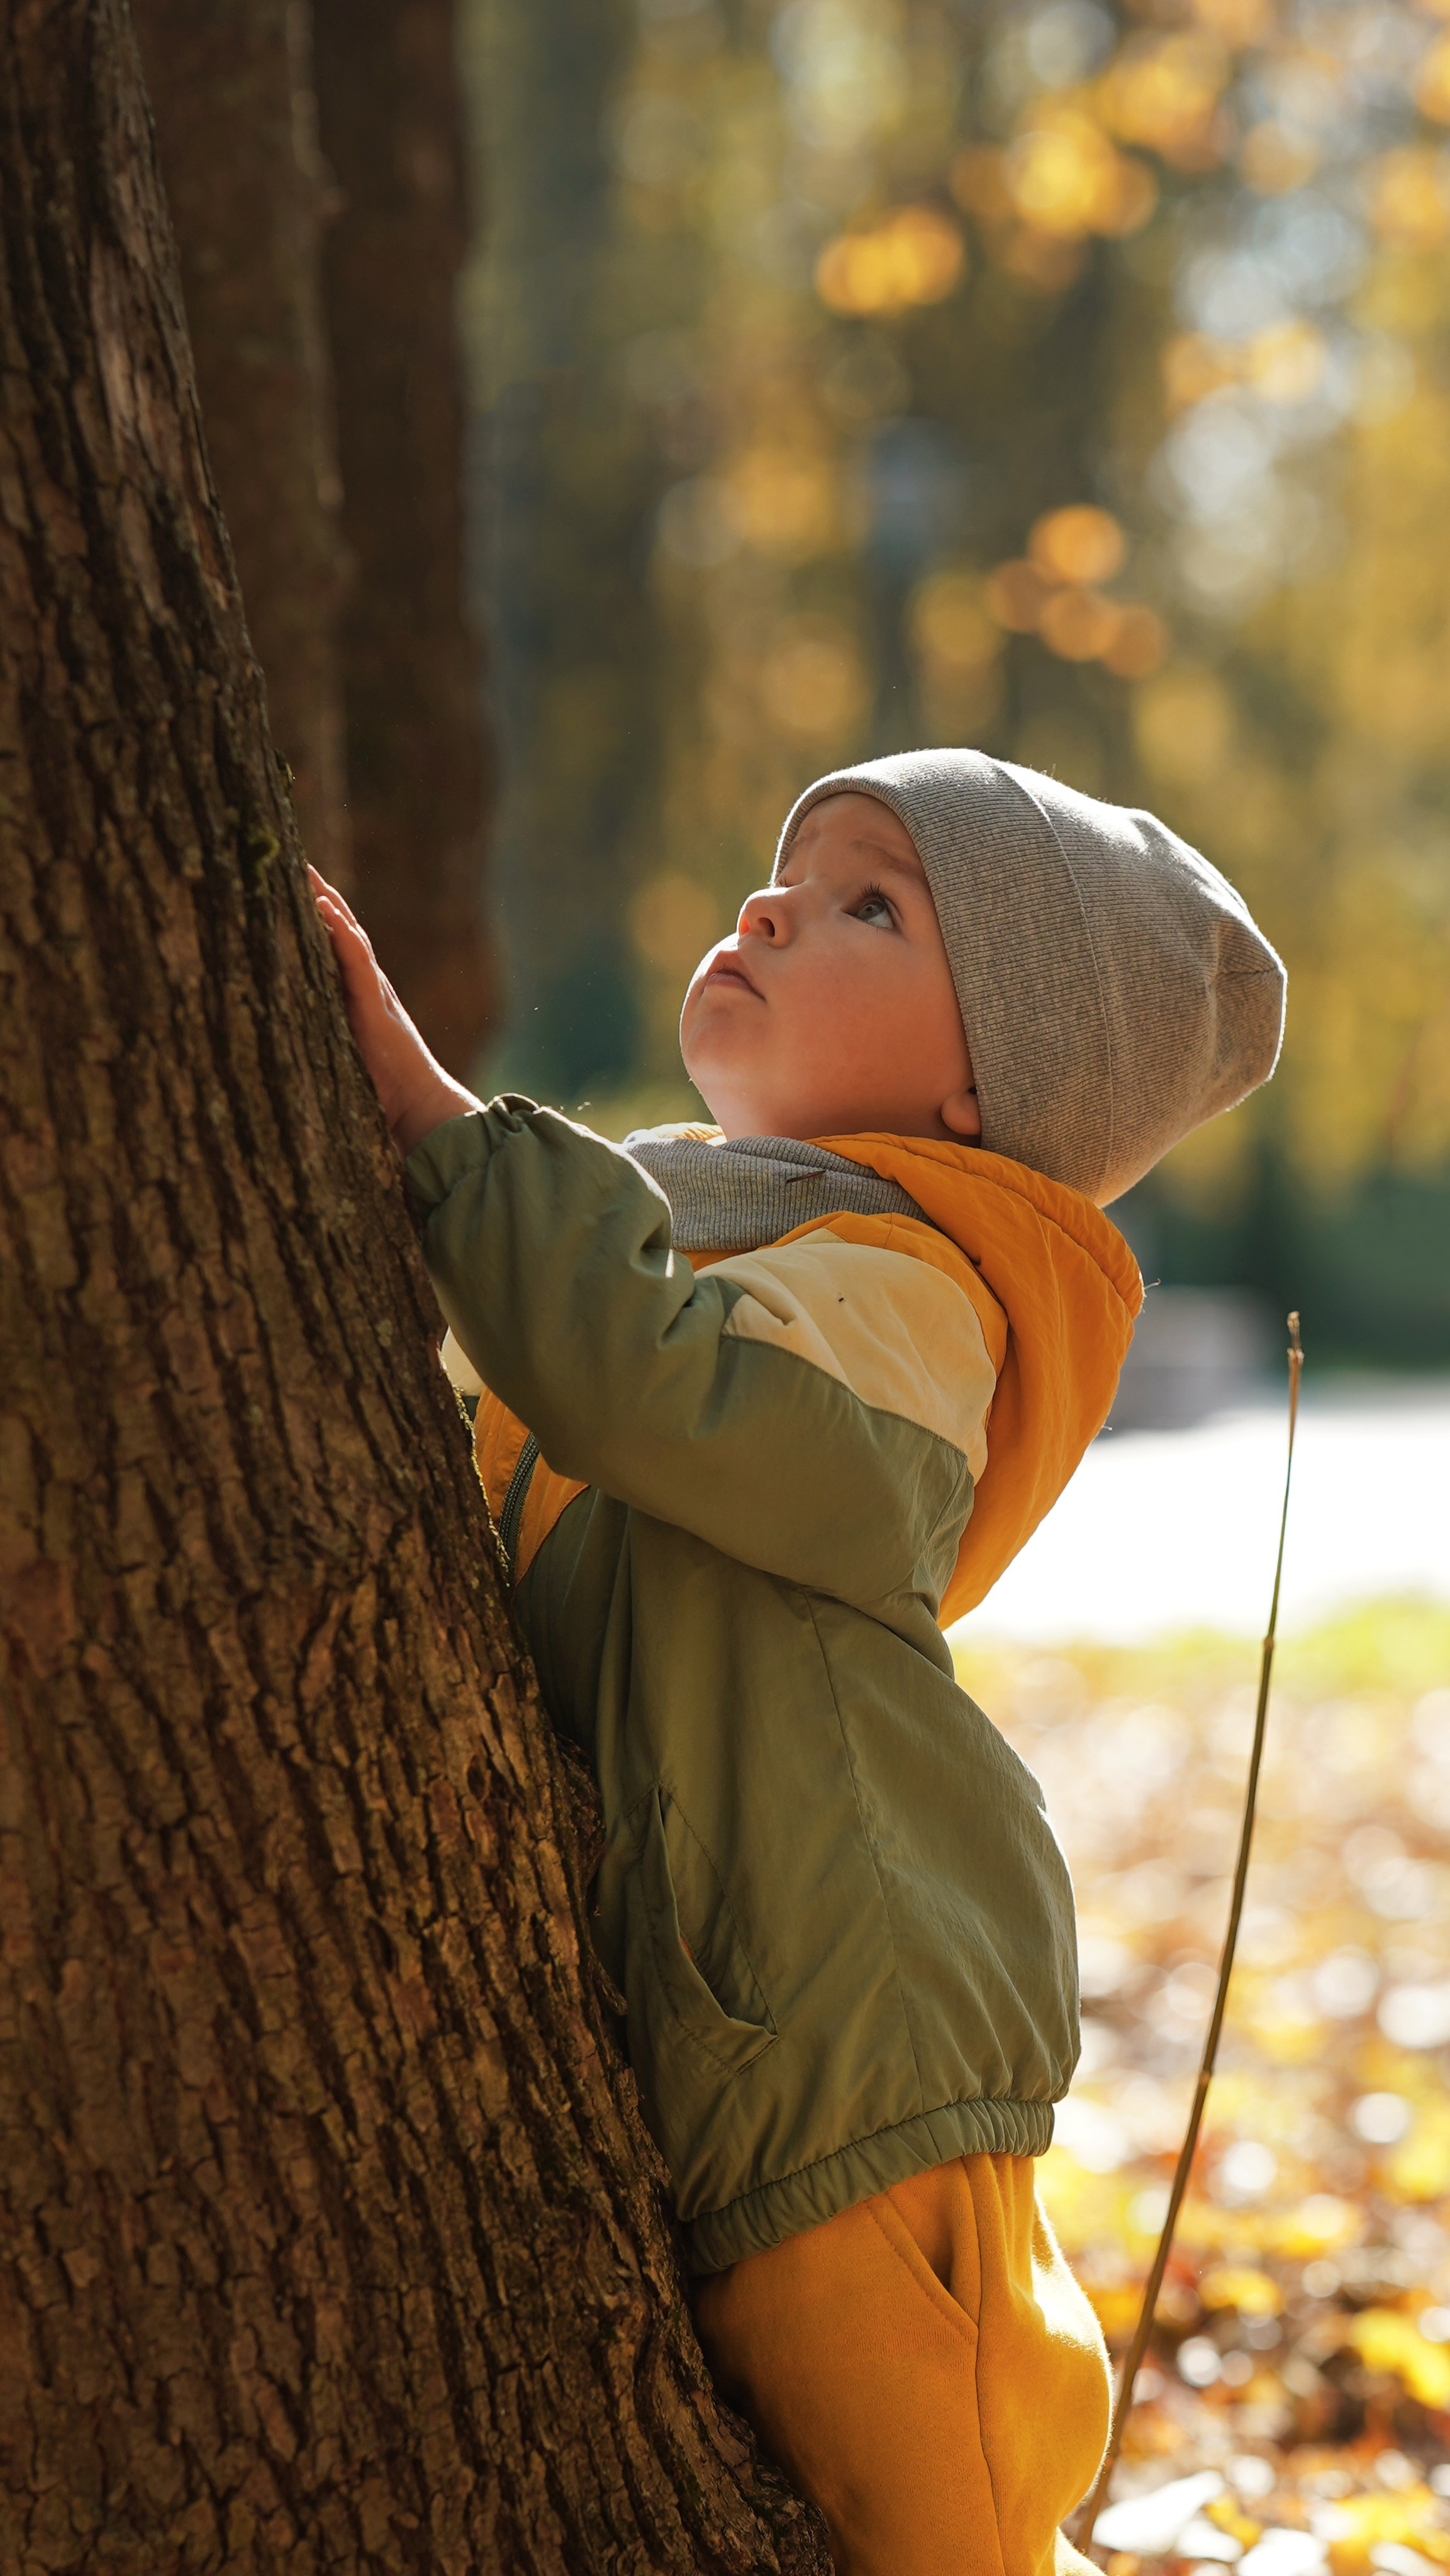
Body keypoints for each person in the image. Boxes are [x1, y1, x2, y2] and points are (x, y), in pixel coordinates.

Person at [312, 748, 1286, 2576]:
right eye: (785, 872)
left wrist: (446, 1129)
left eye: (866, 904)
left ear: (981, 1086)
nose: (768, 906)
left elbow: (656, 1385)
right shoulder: (701, 1226)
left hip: (852, 2041)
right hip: (724, 2011)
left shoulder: (918, 1297)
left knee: (946, 2503)